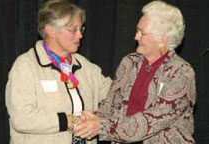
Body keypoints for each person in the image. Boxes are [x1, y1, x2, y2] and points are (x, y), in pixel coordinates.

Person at [73, 1, 196, 144]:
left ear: (163, 40)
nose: (136, 37)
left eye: (142, 33)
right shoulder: (129, 62)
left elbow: (152, 120)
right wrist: (92, 120)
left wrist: (101, 126)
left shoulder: (182, 72)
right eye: (137, 30)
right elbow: (111, 103)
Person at [5, 0, 112, 144]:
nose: (80, 35)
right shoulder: (26, 65)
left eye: (81, 29)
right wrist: (69, 120)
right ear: (51, 30)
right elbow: (22, 118)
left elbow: (115, 95)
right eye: (73, 30)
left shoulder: (85, 66)